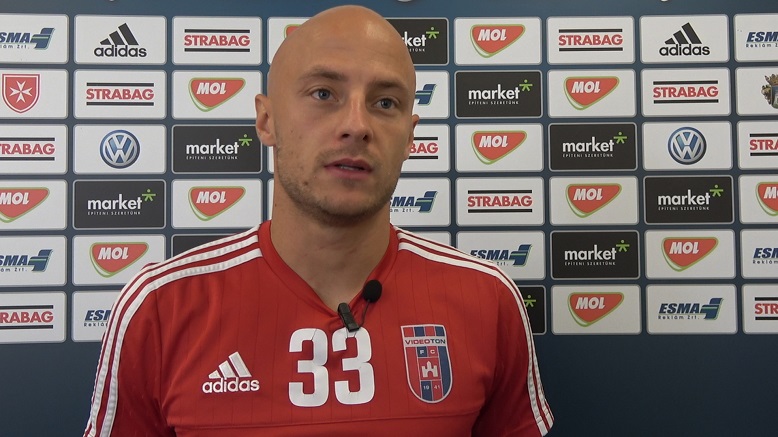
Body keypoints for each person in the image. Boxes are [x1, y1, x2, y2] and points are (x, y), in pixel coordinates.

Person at [84, 5, 553, 436]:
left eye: (385, 103)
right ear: (266, 121)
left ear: (410, 137)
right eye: (324, 93)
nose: (357, 125)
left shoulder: (487, 299)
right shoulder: (161, 308)